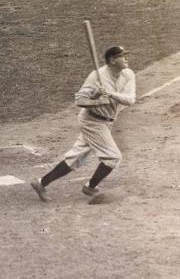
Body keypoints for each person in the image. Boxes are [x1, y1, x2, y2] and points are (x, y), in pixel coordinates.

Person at [31, 46, 136, 202]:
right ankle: (90, 187)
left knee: (76, 157)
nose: (127, 58)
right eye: (123, 56)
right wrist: (96, 97)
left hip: (107, 122)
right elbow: (79, 100)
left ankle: (41, 183)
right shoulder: (96, 76)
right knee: (113, 158)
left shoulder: (128, 74)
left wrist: (110, 94)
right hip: (92, 121)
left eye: (127, 54)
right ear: (112, 60)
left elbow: (130, 99)